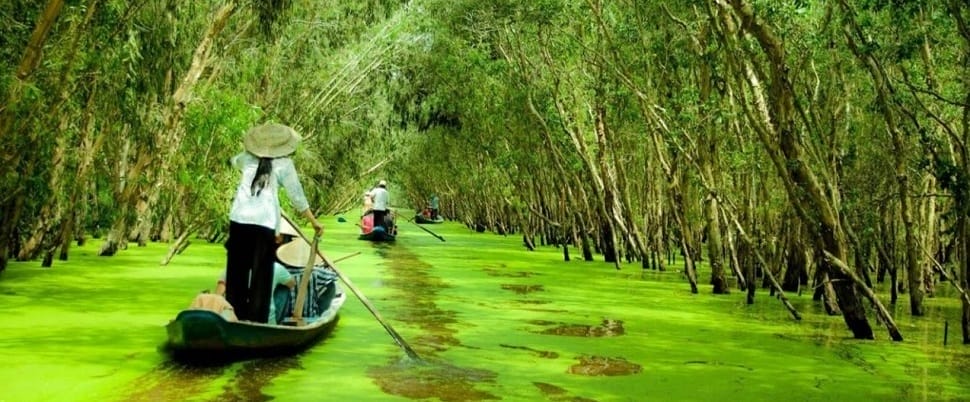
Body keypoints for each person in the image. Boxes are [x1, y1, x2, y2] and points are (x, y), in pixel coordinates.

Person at [225, 123, 322, 323]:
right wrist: (313, 222)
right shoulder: (284, 164)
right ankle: (257, 322)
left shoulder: (246, 158)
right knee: (261, 277)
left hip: (239, 219)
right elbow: (296, 195)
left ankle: (234, 317)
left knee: (236, 273)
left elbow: (232, 161)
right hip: (264, 223)